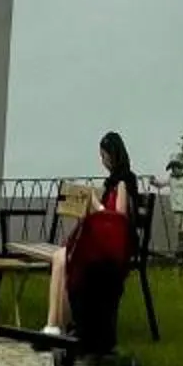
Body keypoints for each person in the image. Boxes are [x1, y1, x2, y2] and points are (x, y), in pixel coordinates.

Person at [32, 132, 138, 348]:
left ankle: (55, 326)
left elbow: (119, 217)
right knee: (60, 259)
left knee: (63, 259)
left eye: (104, 156)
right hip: (103, 242)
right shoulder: (113, 181)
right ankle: (55, 325)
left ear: (113, 155)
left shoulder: (124, 181)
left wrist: (95, 205)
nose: (103, 161)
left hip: (112, 248)